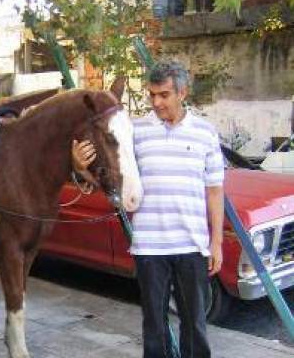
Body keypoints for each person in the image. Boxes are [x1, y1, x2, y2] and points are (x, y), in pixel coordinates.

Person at [72, 61, 225, 358]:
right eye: (152, 95)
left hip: (192, 246)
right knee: (154, 327)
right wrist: (81, 167)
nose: (156, 102)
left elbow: (215, 190)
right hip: (149, 249)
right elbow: (111, 174)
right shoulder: (136, 131)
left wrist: (216, 241)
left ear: (183, 92)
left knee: (194, 325)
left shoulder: (205, 133)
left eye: (164, 95)